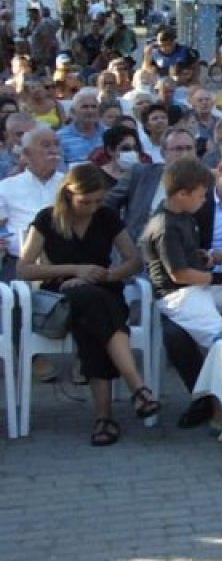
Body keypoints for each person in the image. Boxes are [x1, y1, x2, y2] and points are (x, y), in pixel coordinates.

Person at [17, 164, 159, 445]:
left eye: (98, 200)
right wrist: (74, 270)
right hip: (63, 294)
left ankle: (104, 418)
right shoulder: (48, 219)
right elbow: (24, 269)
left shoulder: (105, 217)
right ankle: (137, 387)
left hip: (104, 289)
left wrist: (107, 274)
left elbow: (133, 260)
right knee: (90, 302)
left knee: (93, 321)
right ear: (69, 194)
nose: (92, 207)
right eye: (85, 202)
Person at [142, 157, 222, 352]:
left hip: (201, 286)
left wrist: (210, 258)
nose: (205, 200)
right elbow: (179, 274)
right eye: (202, 195)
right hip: (179, 295)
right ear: (182, 194)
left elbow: (188, 254)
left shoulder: (184, 214)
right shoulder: (165, 226)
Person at [105, 127, 197, 241]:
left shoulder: (203, 183)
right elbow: (107, 203)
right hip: (137, 245)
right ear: (163, 153)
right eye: (178, 149)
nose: (185, 154)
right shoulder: (141, 174)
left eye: (189, 148)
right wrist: (119, 235)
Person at [0, 127, 66, 280]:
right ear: (26, 154)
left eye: (56, 144)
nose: (53, 150)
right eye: (46, 145)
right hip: (18, 263)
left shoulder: (70, 185)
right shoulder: (6, 187)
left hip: (65, 262)